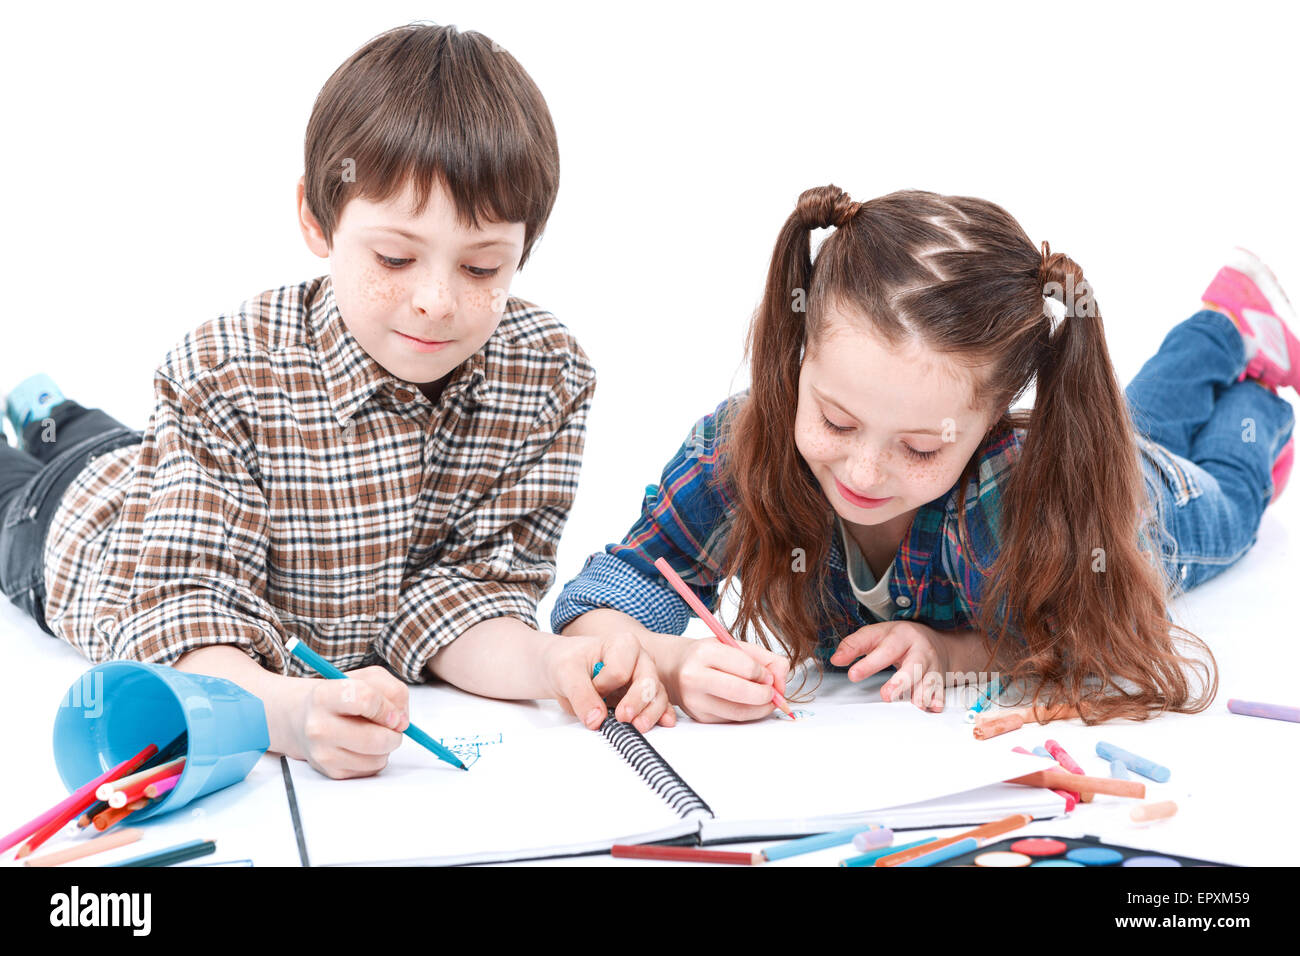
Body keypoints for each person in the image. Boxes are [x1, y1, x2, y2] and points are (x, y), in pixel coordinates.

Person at [0, 23, 671, 780]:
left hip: (155, 459)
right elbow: (186, 616)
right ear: (316, 221)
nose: (435, 302)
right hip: (71, 527)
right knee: (45, 476)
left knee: (91, 432)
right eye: (394, 257)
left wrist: (551, 662)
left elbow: (467, 596)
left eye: (483, 268)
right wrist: (285, 713)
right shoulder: (222, 369)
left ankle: (46, 408)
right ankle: (46, 424)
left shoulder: (547, 376)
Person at [555, 185, 1296, 725]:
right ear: (799, 360)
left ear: (990, 425)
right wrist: (662, 661)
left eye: (919, 446)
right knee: (1143, 425)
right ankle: (1224, 325)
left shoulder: (1012, 501)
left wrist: (950, 652)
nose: (865, 472)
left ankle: (1264, 397)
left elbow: (1082, 644)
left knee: (1230, 499)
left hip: (1144, 509)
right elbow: (604, 595)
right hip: (1106, 445)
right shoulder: (745, 445)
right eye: (837, 422)